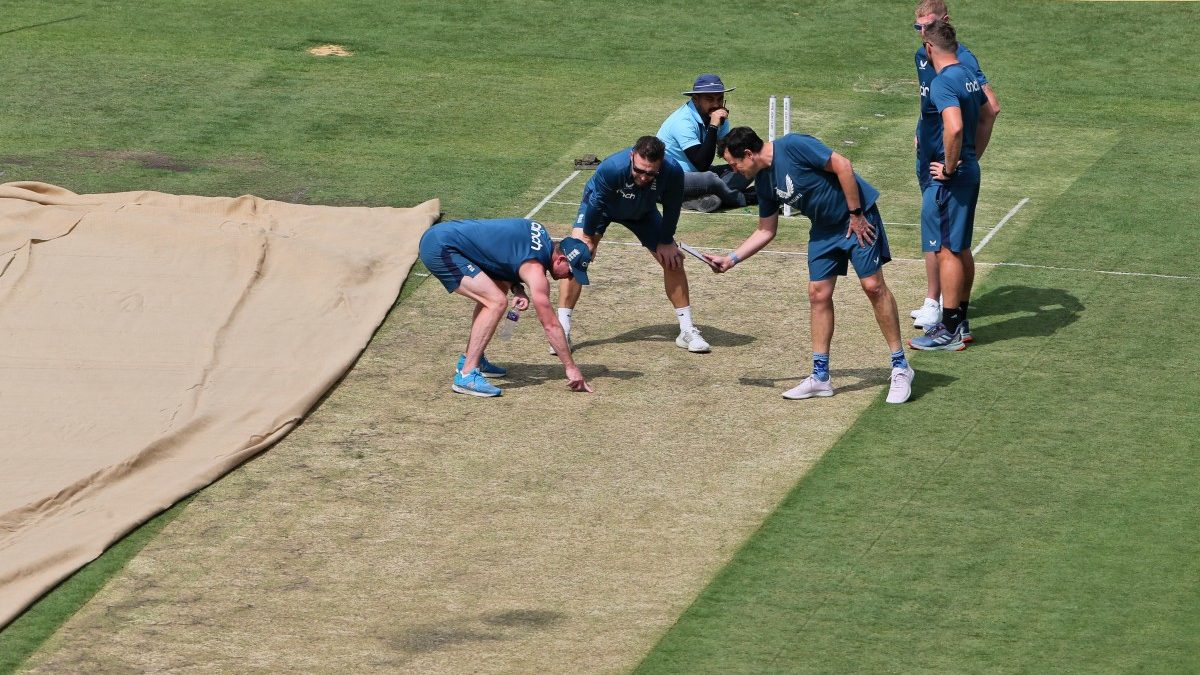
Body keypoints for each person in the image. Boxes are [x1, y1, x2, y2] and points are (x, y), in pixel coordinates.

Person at [705, 127, 914, 404]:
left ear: (748, 154)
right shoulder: (764, 182)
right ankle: (820, 377)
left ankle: (901, 367)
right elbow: (766, 230)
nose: (735, 171)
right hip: (824, 231)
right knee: (818, 294)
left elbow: (843, 165)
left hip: (856, 220)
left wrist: (855, 214)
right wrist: (731, 259)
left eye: (734, 164)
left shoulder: (793, 145)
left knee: (873, 286)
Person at [555, 135, 712, 354]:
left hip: (643, 212)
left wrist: (666, 241)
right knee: (577, 256)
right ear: (632, 156)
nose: (644, 176)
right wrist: (588, 239)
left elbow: (672, 208)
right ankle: (562, 330)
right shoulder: (612, 168)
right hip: (603, 207)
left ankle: (687, 330)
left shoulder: (673, 171)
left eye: (651, 173)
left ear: (662, 163)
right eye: (639, 170)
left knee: (673, 260)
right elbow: (596, 203)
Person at [418, 217, 595, 397]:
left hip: (442, 237)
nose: (569, 278)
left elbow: (502, 257)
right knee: (495, 302)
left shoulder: (539, 232)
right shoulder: (536, 271)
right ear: (561, 259)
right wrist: (571, 368)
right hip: (441, 247)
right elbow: (550, 325)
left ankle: (474, 359)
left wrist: (517, 288)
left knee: (496, 292)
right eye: (571, 272)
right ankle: (466, 375)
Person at [910, 0, 1000, 332]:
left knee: (946, 242)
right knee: (946, 238)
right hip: (932, 156)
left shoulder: (959, 63)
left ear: (943, 25)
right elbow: (931, 106)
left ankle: (948, 319)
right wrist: (920, 131)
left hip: (947, 164)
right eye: (917, 27)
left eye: (927, 27)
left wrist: (964, 157)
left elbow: (988, 110)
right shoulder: (925, 57)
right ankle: (941, 306)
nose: (921, 34)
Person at [657, 73, 754, 213]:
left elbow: (725, 151)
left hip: (697, 175)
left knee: (748, 166)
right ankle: (744, 198)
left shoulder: (717, 116)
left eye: (720, 99)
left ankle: (696, 199)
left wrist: (741, 160)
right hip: (671, 178)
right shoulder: (682, 121)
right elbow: (701, 164)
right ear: (696, 99)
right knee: (710, 179)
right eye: (710, 99)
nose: (716, 104)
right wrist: (713, 127)